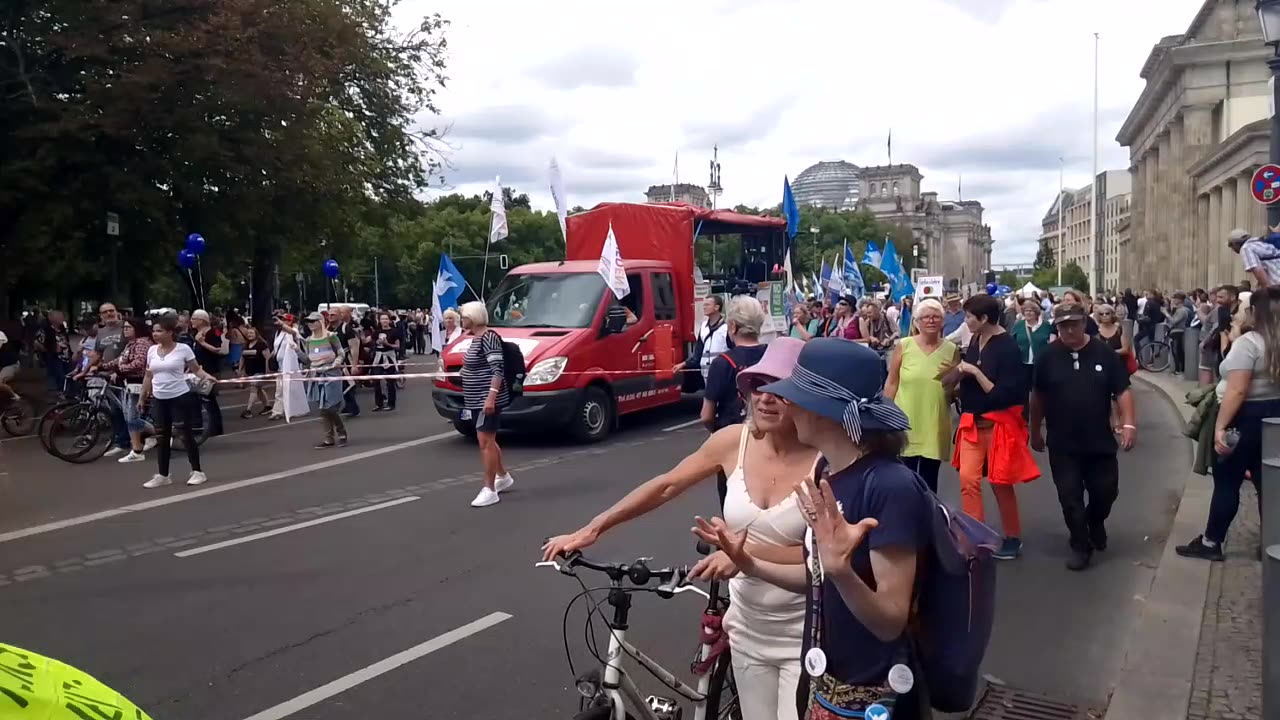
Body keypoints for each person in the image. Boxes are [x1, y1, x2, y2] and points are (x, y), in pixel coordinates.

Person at [544, 339, 811, 720]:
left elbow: (828, 557)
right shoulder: (732, 441)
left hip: (805, 631)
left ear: (803, 397)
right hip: (749, 627)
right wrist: (592, 528)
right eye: (758, 386)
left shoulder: (823, 459)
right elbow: (666, 485)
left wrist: (744, 557)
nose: (765, 398)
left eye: (780, 389)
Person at [697, 339, 930, 720]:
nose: (783, 404)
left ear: (823, 412)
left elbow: (890, 621)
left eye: (793, 396)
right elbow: (816, 580)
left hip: (873, 693)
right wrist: (750, 564)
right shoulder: (829, 473)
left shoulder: (890, 486)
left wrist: (840, 570)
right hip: (825, 678)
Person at [1030, 302, 1137, 571]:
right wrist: (1034, 430)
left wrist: (1129, 425)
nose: (1069, 330)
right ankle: (1081, 544)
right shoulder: (1047, 357)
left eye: (1074, 324)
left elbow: (1122, 391)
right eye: (1063, 326)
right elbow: (1037, 397)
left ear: (1083, 323)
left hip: (1098, 440)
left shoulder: (1104, 354)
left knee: (1106, 492)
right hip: (1062, 442)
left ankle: (1095, 522)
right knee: (1070, 497)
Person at [1177, 287, 1280, 562]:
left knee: (1227, 482)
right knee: (1268, 483)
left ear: (1257, 312)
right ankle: (1271, 543)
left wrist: (1220, 427)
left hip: (1244, 416)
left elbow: (1237, 390)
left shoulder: (1250, 343)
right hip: (1274, 417)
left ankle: (1212, 541)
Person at [951, 294, 1039, 560]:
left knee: (1001, 482)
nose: (965, 321)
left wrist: (975, 373)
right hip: (973, 423)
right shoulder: (976, 339)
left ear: (984, 318)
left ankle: (1013, 537)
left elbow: (1003, 394)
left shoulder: (1007, 348)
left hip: (998, 423)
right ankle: (975, 535)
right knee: (968, 479)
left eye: (969, 317)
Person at [702, 298, 772, 507]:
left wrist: (717, 431)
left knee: (733, 503)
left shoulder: (722, 363)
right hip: (769, 439)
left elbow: (706, 415)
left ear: (732, 326)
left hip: (735, 442)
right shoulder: (774, 355)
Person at [885, 297, 958, 492]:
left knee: (929, 478)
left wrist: (956, 381)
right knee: (905, 474)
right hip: (906, 419)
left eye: (936, 317)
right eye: (926, 317)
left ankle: (930, 516)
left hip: (935, 420)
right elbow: (892, 381)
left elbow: (954, 388)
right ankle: (908, 516)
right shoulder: (904, 345)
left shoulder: (951, 350)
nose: (931, 321)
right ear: (917, 322)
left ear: (943, 322)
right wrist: (885, 414)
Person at [139, 313, 213, 488]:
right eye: (154, 331)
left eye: (159, 331)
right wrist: (143, 395)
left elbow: (196, 370)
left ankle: (197, 471)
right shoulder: (151, 351)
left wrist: (207, 377)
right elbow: (149, 375)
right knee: (161, 436)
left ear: (170, 332)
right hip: (159, 398)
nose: (155, 334)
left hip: (179, 397)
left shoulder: (183, 349)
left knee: (185, 434)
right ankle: (163, 475)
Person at [459, 301, 515, 508]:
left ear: (472, 317)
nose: (461, 320)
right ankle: (503, 476)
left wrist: (491, 397)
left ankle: (489, 488)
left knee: (485, 442)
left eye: (463, 316)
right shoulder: (475, 338)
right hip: (477, 398)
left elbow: (497, 369)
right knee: (488, 440)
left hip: (486, 399)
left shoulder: (488, 338)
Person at [101, 317, 155, 463]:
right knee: (129, 417)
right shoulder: (131, 344)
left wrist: (120, 369)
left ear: (137, 328)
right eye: (124, 327)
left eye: (128, 327)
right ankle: (159, 433)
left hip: (140, 383)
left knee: (132, 417)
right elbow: (119, 360)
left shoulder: (142, 343)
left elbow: (138, 363)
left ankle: (138, 450)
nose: (125, 330)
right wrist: (103, 366)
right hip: (130, 383)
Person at [301, 311, 348, 448]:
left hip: (331, 373)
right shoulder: (309, 340)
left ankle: (341, 431)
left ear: (320, 321)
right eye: (308, 322)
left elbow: (341, 352)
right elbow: (307, 359)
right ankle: (329, 438)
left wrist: (337, 361)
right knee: (322, 409)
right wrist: (296, 350)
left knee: (330, 407)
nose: (310, 324)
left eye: (313, 321)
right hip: (316, 375)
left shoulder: (331, 336)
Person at [94, 302, 131, 457]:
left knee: (131, 409)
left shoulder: (125, 327)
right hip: (109, 375)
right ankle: (123, 442)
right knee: (116, 410)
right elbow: (97, 354)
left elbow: (133, 347)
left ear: (117, 312)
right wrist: (85, 370)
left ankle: (141, 438)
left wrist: (121, 368)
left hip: (126, 373)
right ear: (101, 316)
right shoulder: (101, 333)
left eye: (111, 311)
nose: (109, 314)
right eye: (105, 312)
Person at [189, 309, 226, 436]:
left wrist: (202, 342)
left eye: (194, 318)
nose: (191, 321)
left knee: (209, 399)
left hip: (210, 369)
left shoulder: (212, 332)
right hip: (200, 369)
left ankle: (215, 427)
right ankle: (201, 425)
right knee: (200, 399)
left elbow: (218, 349)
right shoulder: (197, 333)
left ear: (201, 320)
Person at [1011, 299, 1054, 401]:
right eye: (1026, 311)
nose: (1028, 313)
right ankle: (1025, 412)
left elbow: (1052, 343)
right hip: (1023, 362)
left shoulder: (1046, 325)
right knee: (1023, 390)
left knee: (1039, 389)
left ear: (1036, 313)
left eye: (1031, 311)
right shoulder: (1019, 325)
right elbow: (1011, 341)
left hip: (1040, 363)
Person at [236, 325, 272, 418]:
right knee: (258, 389)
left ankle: (248, 410)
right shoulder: (245, 346)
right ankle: (267, 406)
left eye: (251, 333)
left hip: (259, 371)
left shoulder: (262, 344)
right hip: (250, 372)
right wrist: (240, 370)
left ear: (256, 334)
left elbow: (268, 358)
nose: (249, 335)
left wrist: (268, 371)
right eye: (248, 333)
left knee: (254, 387)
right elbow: (242, 358)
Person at [333, 307, 362, 418]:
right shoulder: (330, 328)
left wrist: (354, 364)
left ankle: (353, 407)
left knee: (348, 384)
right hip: (336, 360)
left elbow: (354, 346)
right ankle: (348, 405)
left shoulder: (347, 328)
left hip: (346, 359)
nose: (331, 317)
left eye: (334, 314)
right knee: (341, 384)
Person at [34, 310, 73, 394]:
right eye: (59, 317)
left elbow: (66, 340)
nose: (62, 319)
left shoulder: (62, 328)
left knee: (67, 374)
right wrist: (49, 350)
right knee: (57, 375)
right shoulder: (45, 329)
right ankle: (56, 393)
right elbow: (37, 343)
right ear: (51, 318)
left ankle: (66, 392)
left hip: (65, 356)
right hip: (53, 357)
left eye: (62, 317)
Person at [371, 312, 402, 412]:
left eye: (386, 319)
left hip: (389, 356)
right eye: (382, 319)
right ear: (379, 321)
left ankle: (391, 403)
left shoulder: (394, 331)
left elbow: (397, 346)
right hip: (378, 357)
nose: (384, 321)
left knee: (390, 381)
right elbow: (370, 341)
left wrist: (387, 343)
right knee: (376, 380)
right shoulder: (376, 332)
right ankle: (379, 403)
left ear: (389, 320)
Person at [1166, 292, 1191, 374]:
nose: (1173, 300)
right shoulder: (1178, 309)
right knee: (1175, 350)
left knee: (1177, 350)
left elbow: (1173, 321)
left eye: (1175, 299)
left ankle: (1179, 369)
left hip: (1179, 331)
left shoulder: (1182, 311)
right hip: (1175, 331)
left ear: (1179, 300)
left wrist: (1166, 314)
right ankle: (1178, 368)